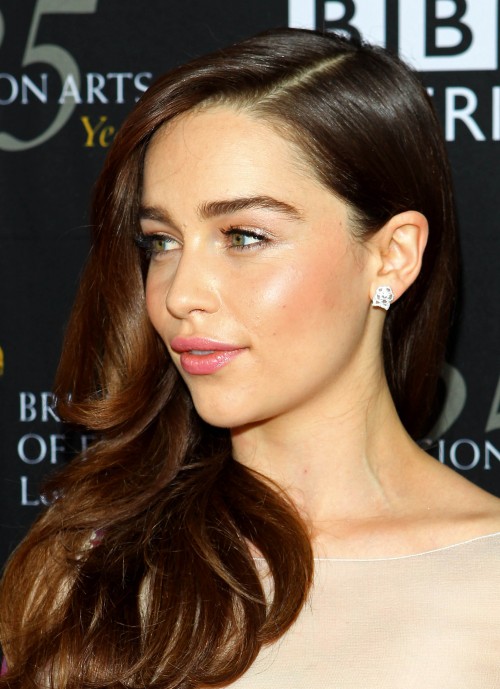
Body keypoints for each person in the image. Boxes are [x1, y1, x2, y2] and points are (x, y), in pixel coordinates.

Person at [1, 27, 499, 689]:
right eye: (162, 241)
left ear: (392, 255)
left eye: (243, 236)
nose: (179, 294)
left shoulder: (488, 578)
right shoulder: (85, 565)